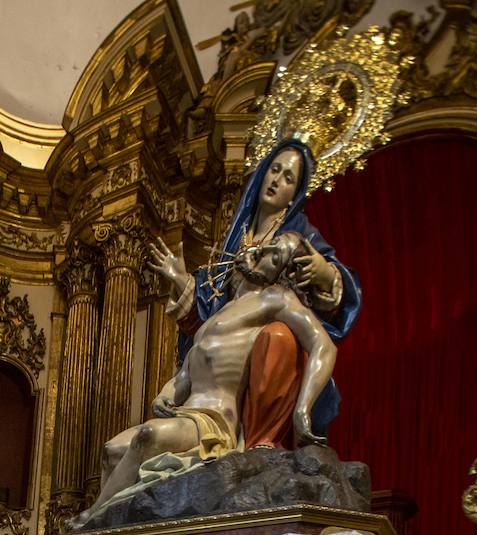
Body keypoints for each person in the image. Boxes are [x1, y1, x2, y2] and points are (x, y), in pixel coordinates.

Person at [72, 232, 336, 526]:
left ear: (280, 273)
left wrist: (303, 409)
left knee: (148, 436)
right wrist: (165, 394)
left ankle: (92, 519)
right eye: (268, 246)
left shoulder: (275, 298)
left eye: (276, 256)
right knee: (111, 451)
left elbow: (323, 346)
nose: (264, 252)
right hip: (186, 412)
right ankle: (108, 527)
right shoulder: (221, 312)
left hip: (213, 423)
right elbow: (185, 371)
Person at [150, 138, 361, 444]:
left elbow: (329, 310)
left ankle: (264, 440)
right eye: (274, 170)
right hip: (228, 348)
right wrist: (181, 281)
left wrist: (325, 273)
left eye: (288, 178)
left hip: (267, 343)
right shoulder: (238, 236)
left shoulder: (297, 235)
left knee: (277, 337)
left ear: (294, 195)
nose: (277, 180)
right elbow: (213, 314)